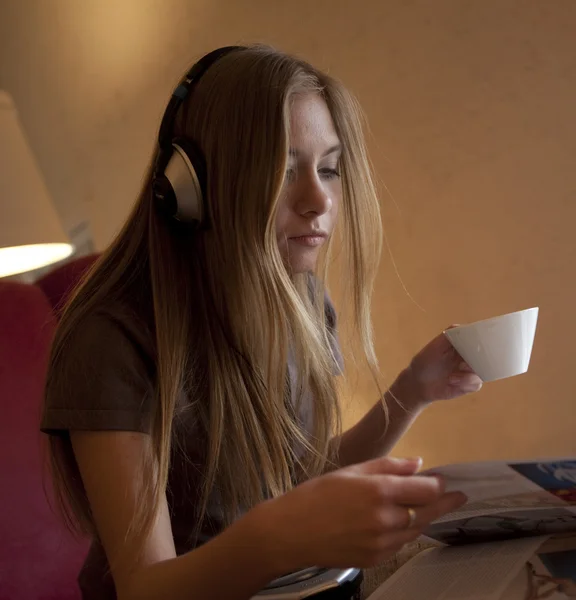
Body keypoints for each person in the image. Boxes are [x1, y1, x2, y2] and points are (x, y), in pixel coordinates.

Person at [41, 45, 482, 600]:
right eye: (282, 169)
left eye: (328, 168)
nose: (318, 198)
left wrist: (412, 391)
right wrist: (281, 535)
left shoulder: (301, 299)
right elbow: (145, 588)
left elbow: (301, 480)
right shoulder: (111, 339)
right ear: (189, 189)